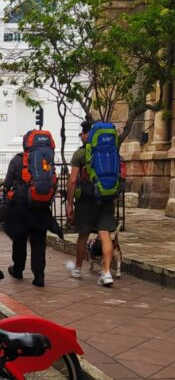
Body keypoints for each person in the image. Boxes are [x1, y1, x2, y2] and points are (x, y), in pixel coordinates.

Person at [2, 131, 57, 288]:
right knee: (39, 243)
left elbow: (7, 184)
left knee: (19, 240)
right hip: (41, 208)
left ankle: (18, 269)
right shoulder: (46, 161)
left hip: (21, 207)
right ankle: (39, 276)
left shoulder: (18, 160)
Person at [66, 120, 117, 288]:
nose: (81, 136)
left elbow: (73, 180)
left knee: (83, 234)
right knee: (105, 234)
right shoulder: (112, 151)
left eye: (82, 133)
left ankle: (78, 268)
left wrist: (69, 203)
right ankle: (107, 272)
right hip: (107, 196)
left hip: (87, 199)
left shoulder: (80, 154)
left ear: (88, 134)